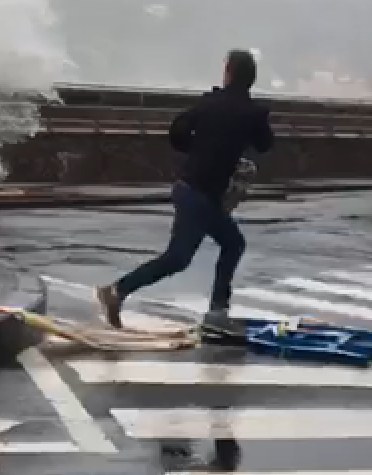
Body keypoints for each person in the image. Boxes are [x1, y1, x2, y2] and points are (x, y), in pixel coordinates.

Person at [95, 49, 274, 332]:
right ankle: (116, 292)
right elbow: (265, 144)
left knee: (228, 244)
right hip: (202, 196)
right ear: (251, 79)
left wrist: (197, 149)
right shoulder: (254, 113)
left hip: (193, 188)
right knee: (181, 257)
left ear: (228, 73)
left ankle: (216, 309)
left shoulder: (208, 104)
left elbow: (177, 131)